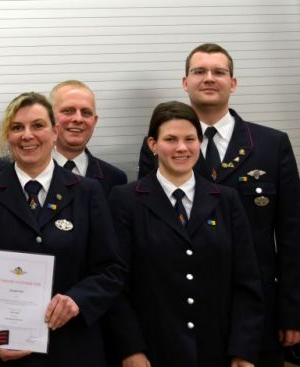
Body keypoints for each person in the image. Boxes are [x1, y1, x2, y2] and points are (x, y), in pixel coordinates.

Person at [137, 43, 300, 366]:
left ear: (233, 83)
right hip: (178, 312)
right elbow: (149, 225)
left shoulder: (271, 144)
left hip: (258, 311)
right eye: (199, 71)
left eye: (219, 72)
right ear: (185, 82)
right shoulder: (162, 146)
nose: (209, 78)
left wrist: (292, 310)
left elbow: (293, 232)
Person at [0, 92, 126, 366]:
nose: (27, 135)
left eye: (37, 125)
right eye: (17, 127)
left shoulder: (87, 192)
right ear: (8, 135)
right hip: (8, 352)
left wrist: (77, 300)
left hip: (74, 347)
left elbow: (111, 269)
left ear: (55, 131)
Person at [108, 101, 263, 367]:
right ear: (153, 145)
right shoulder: (125, 200)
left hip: (217, 351)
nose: (182, 147)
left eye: (190, 139)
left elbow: (246, 283)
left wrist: (243, 350)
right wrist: (130, 349)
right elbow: (114, 283)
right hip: (151, 353)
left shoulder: (226, 200)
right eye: (170, 139)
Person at [0, 81, 126, 196]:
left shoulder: (114, 179)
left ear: (94, 121)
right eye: (68, 111)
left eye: (86, 113)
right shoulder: (5, 168)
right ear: (50, 118)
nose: (78, 119)